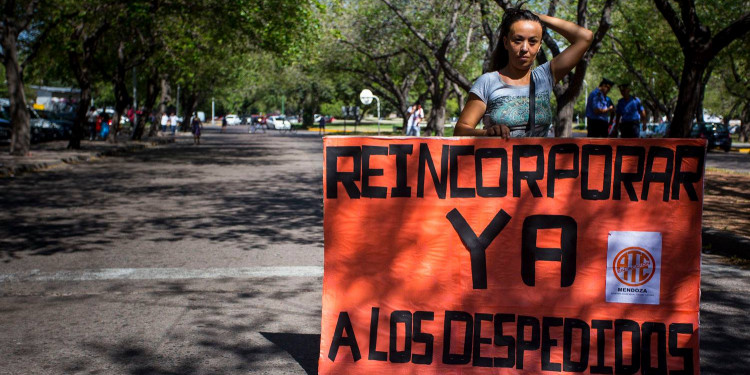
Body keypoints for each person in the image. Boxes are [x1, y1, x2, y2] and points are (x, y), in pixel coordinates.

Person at [455, 9, 592, 138]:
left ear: (539, 46)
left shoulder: (544, 77)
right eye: (518, 40)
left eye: (533, 41)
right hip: (499, 162)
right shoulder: (487, 82)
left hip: (538, 163)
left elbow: (585, 37)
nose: (525, 48)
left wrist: (538, 17)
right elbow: (460, 131)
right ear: (506, 42)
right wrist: (487, 134)